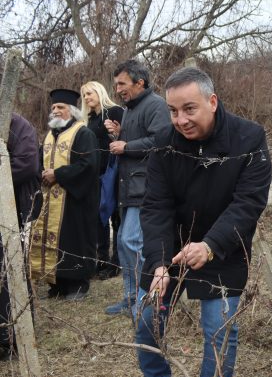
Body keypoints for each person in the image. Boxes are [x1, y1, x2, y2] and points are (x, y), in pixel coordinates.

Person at [126, 66, 272, 377]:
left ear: (212, 101)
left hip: (224, 247)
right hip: (172, 247)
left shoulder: (248, 138)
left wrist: (211, 245)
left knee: (219, 331)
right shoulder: (163, 143)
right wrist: (159, 263)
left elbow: (248, 202)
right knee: (147, 317)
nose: (180, 120)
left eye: (189, 109)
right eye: (173, 111)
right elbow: (155, 206)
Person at [103, 60, 170, 316]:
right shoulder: (131, 108)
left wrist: (126, 146)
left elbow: (161, 141)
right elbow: (139, 139)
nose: (118, 89)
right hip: (129, 187)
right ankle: (131, 297)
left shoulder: (156, 105)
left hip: (146, 188)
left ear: (139, 83)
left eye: (122, 83)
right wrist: (119, 135)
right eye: (116, 84)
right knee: (122, 242)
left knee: (133, 242)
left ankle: (146, 300)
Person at [30, 89, 100, 300]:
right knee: (55, 242)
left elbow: (89, 165)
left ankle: (78, 285)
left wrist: (58, 175)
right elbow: (39, 161)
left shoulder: (83, 133)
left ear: (72, 110)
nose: (56, 111)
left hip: (75, 200)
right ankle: (57, 284)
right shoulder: (50, 135)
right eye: (53, 108)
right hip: (51, 199)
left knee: (74, 240)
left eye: (60, 107)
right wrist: (41, 174)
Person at [0, 113, 40, 360]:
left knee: (10, 270)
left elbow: (26, 165)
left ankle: (12, 335)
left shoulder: (17, 125)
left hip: (13, 207)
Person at [81, 81, 124, 280]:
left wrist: (115, 132)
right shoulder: (88, 119)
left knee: (115, 216)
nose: (87, 97)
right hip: (95, 174)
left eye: (90, 93)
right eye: (84, 95)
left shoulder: (114, 111)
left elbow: (124, 135)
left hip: (113, 171)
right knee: (99, 218)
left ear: (99, 91)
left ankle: (116, 263)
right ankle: (102, 260)